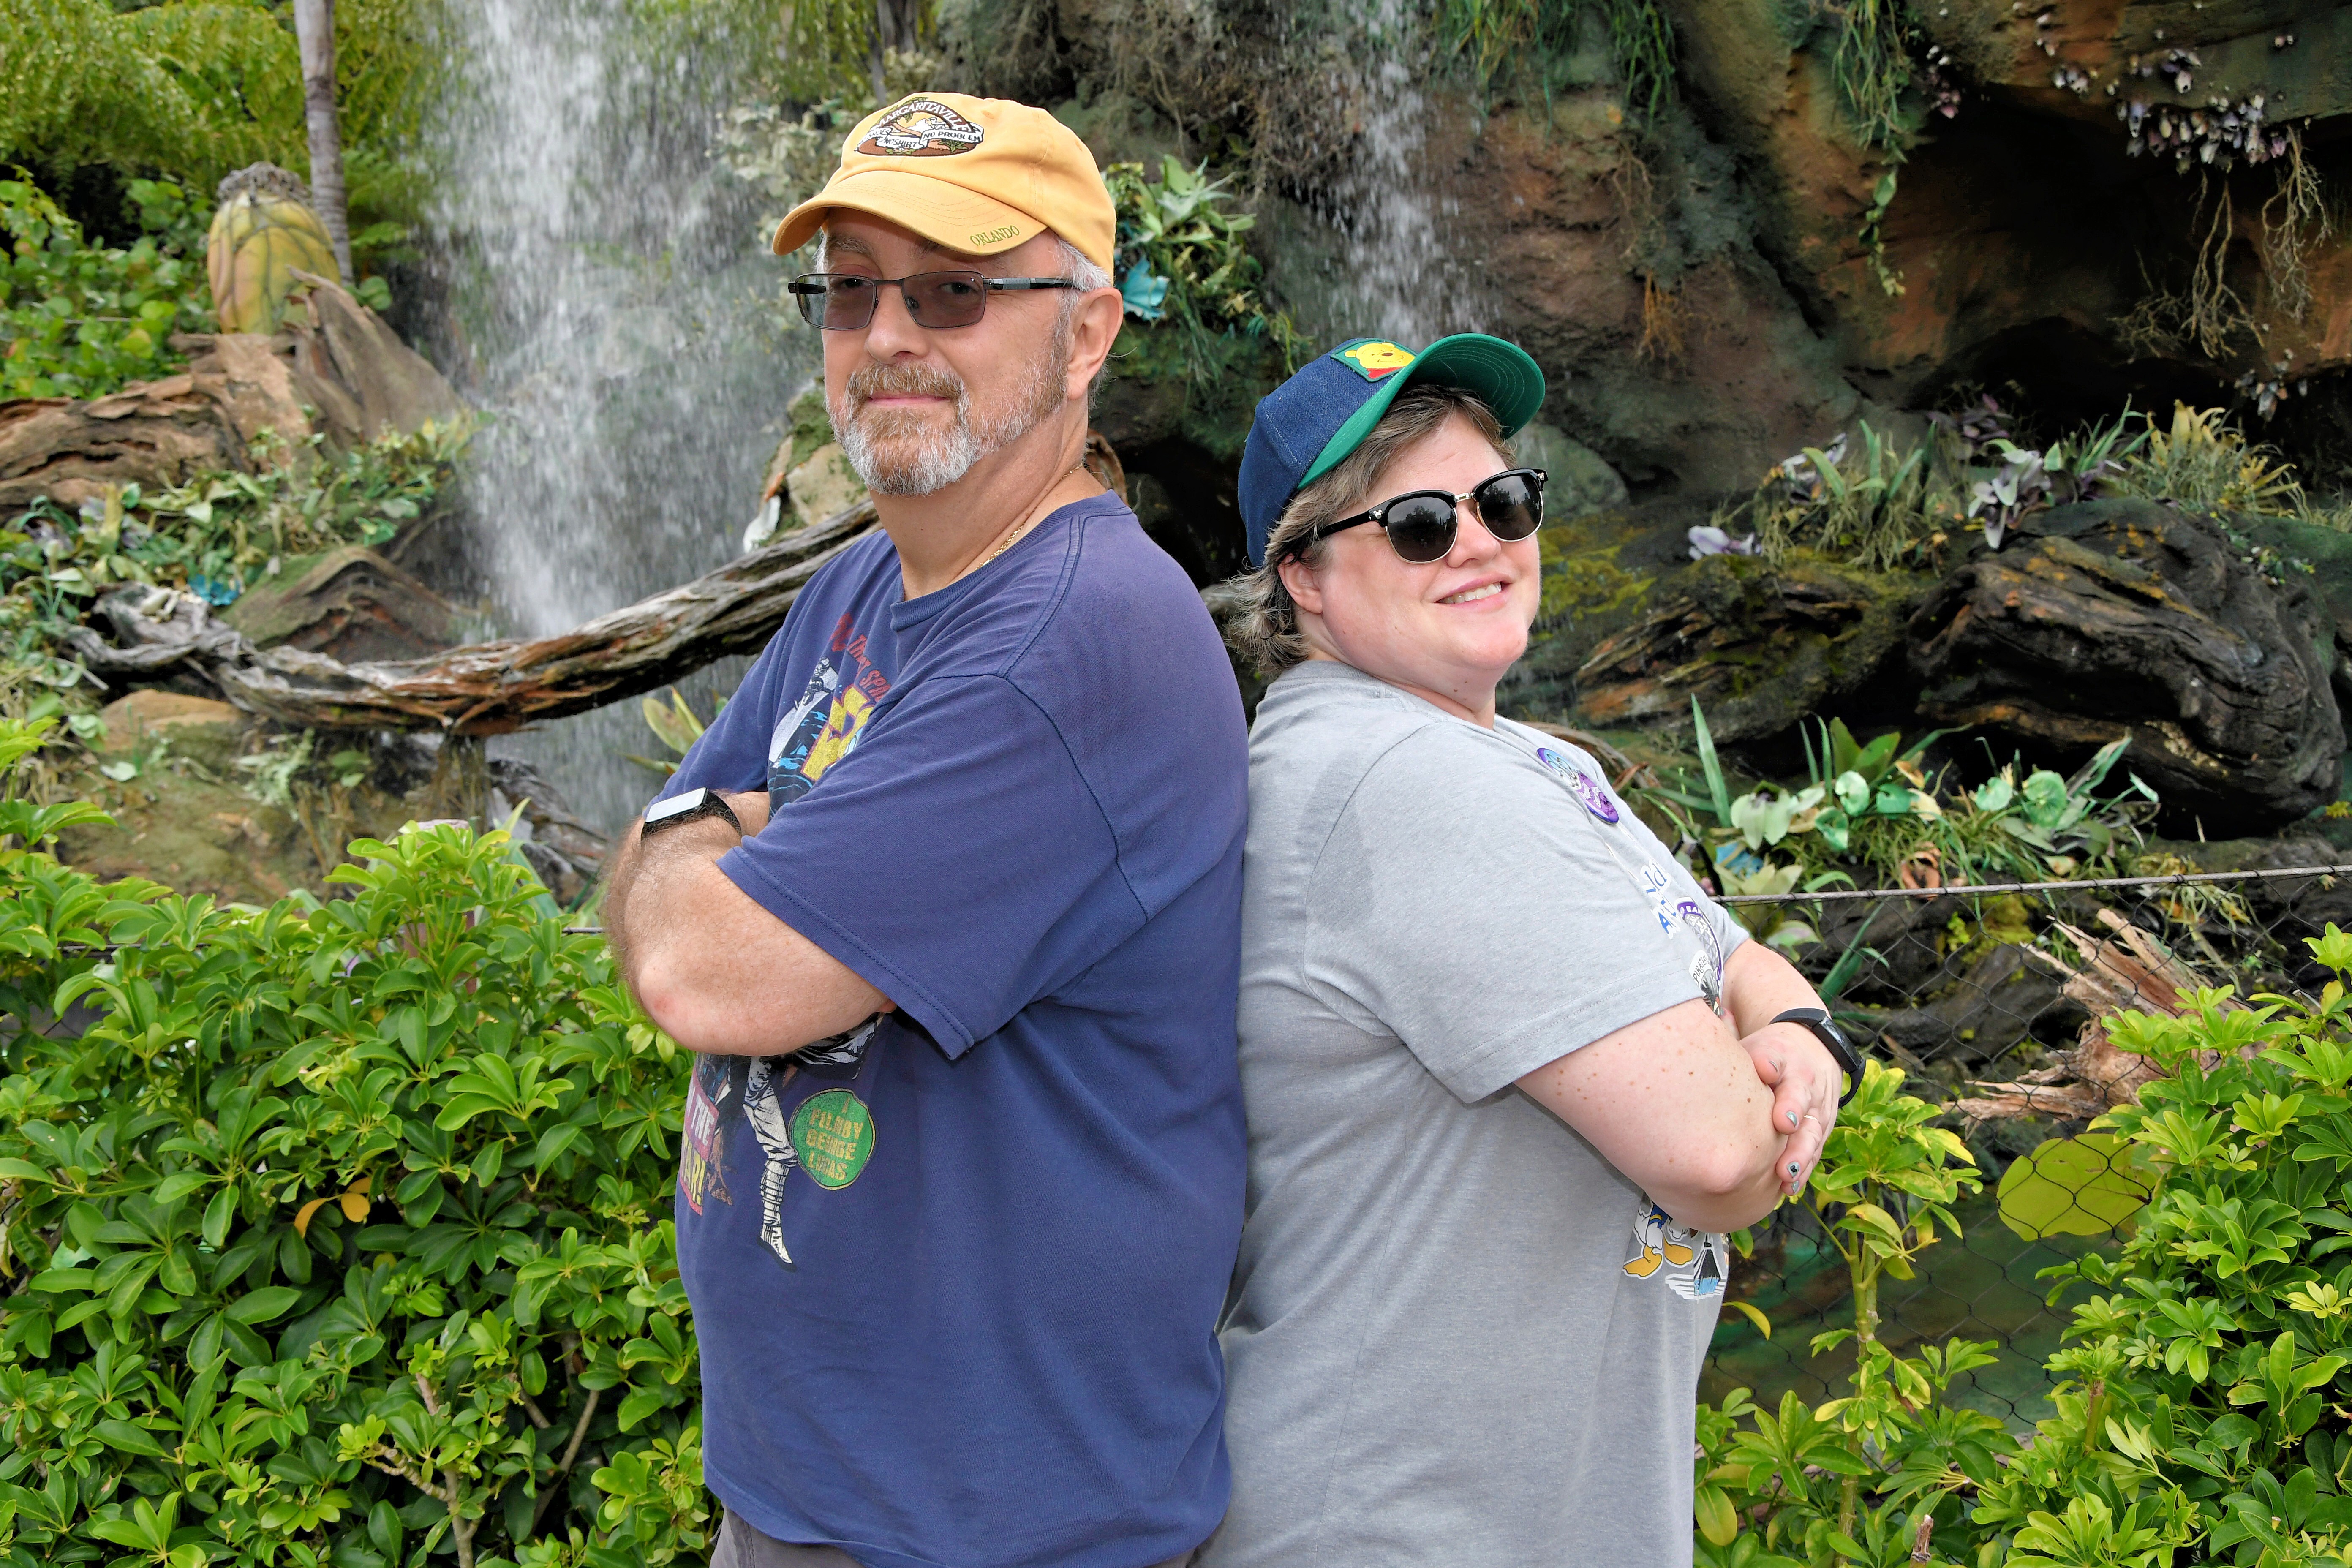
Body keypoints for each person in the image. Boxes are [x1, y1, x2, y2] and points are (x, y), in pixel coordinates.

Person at [602, 92, 1248, 1568]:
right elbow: (636, 874)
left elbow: (701, 971)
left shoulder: (1074, 640)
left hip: (999, 1523)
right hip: (817, 1492)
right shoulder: (863, 585)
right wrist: (705, 853)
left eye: (955, 291)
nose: (888, 334)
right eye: (850, 292)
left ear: (1086, 334)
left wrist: (718, 842)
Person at [1198, 335, 1861, 1567]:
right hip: (1410, 1527)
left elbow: (1735, 956)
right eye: (1416, 525)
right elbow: (1723, 1155)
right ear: (1303, 577)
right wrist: (1779, 1077)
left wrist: (1794, 1029)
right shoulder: (1404, 781)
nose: (1480, 544)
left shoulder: (1528, 760)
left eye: (1502, 501)